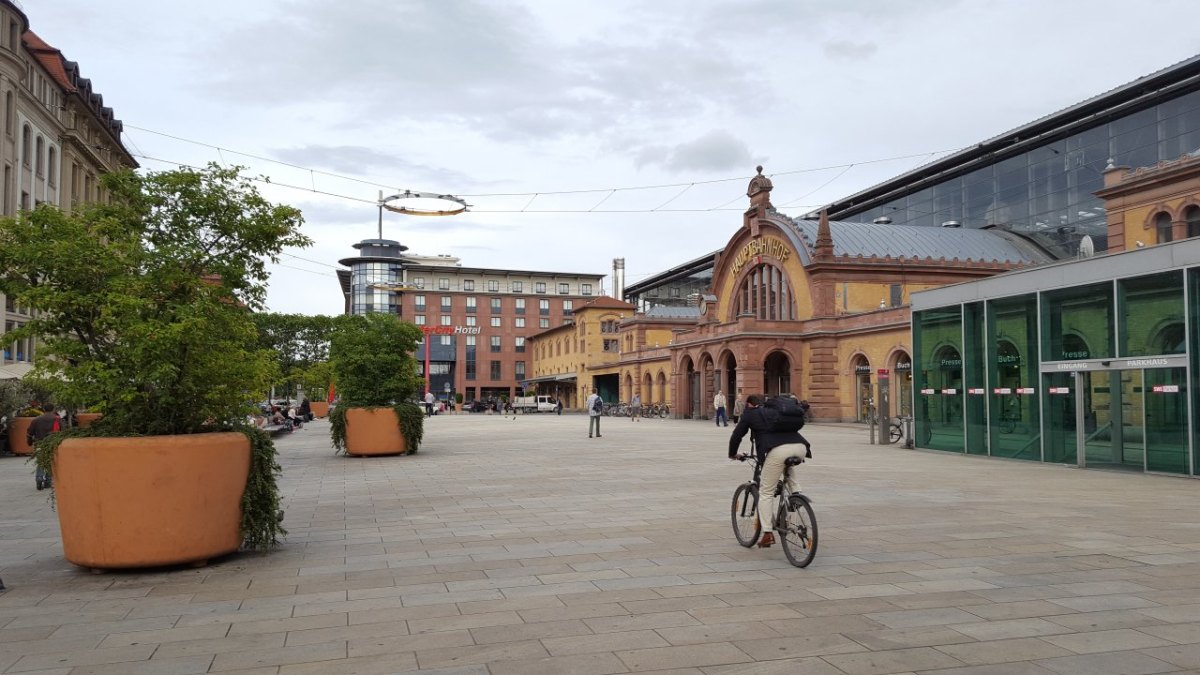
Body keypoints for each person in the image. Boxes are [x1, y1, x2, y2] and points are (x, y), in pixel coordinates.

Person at [728, 394, 812, 548]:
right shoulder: (775, 412)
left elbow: (737, 435)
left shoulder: (751, 414)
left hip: (778, 450)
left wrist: (733, 454)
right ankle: (796, 495)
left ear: (749, 405)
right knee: (785, 465)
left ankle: (767, 533)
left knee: (765, 493)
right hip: (800, 447)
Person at [27, 404, 61, 490]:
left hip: (39, 443)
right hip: (52, 443)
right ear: (53, 409)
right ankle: (48, 481)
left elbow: (29, 433)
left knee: (41, 461)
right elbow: (62, 431)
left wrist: (29, 442)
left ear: (43, 409)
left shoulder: (36, 420)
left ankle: (39, 479)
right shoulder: (57, 419)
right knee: (51, 461)